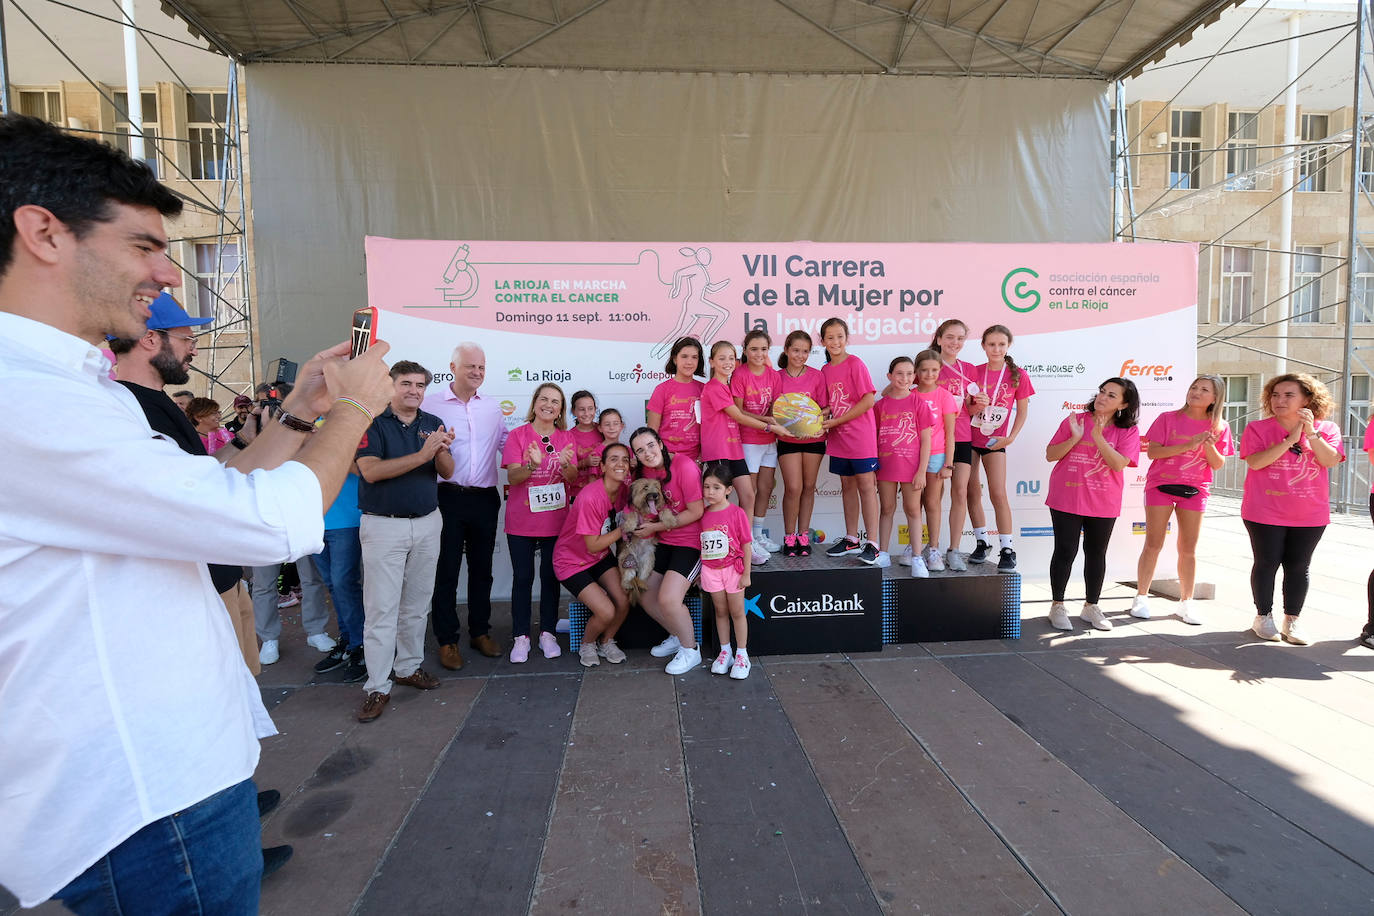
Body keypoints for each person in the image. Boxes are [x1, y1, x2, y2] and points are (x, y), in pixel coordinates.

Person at [0, 111, 392, 912]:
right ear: (43, 231)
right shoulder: (27, 399)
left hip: (161, 781)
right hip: (143, 798)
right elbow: (268, 524)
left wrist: (303, 414)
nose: (168, 275)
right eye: (144, 245)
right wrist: (354, 412)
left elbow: (212, 498)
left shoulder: (72, 389)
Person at [355, 361, 455, 721]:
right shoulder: (373, 421)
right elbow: (370, 470)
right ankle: (378, 686)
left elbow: (447, 471)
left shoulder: (430, 423)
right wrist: (422, 455)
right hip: (384, 527)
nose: (414, 390)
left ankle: (408, 667)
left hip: (427, 523)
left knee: (416, 605)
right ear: (392, 386)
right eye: (406, 384)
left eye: (419, 385)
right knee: (382, 611)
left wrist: (441, 448)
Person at [1239, 373, 1344, 646]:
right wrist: (1289, 439)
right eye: (1275, 395)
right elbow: (1256, 462)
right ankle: (1263, 617)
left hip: (1310, 512)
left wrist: (1311, 433)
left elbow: (1330, 460)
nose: (1279, 400)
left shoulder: (1328, 428)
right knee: (1267, 562)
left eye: (1288, 395)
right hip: (1264, 509)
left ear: (1307, 400)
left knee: (1299, 566)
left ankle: (1292, 619)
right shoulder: (1258, 428)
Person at [423, 341, 507, 670]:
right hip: (445, 498)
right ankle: (446, 640)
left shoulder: (492, 407)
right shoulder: (430, 405)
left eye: (481, 367)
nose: (476, 372)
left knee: (482, 571)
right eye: (470, 366)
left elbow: (506, 445)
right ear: (453, 368)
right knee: (445, 572)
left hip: (485, 498)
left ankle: (480, 632)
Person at [1131, 375, 1233, 625]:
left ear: (1215, 398)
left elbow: (1218, 464)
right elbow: (1153, 452)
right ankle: (1141, 597)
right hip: (1160, 485)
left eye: (1204, 390)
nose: (1196, 392)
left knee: (1188, 549)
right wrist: (1189, 444)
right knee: (1153, 543)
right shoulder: (1168, 418)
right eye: (1194, 388)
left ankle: (1186, 603)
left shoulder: (1219, 426)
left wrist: (1207, 445)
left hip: (1195, 488)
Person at [1044, 378, 1142, 631]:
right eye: (1101, 392)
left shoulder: (1128, 430)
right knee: (1065, 550)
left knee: (1096, 552)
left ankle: (1091, 606)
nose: (1102, 397)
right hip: (1066, 495)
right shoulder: (1075, 420)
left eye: (1111, 395)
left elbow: (1119, 464)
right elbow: (1051, 455)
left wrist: (1098, 436)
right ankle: (1057, 605)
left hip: (1103, 499)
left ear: (1124, 403)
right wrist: (1075, 438)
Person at [501, 382, 577, 663]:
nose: (549, 404)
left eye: (555, 401)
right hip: (522, 520)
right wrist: (532, 465)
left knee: (549, 577)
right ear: (534, 404)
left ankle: (547, 632)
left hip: (556, 521)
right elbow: (513, 478)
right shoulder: (518, 436)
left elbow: (571, 479)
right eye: (544, 399)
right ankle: (520, 636)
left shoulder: (567, 438)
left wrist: (567, 464)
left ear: (560, 410)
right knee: (522, 578)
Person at [700, 339, 788, 565]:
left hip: (734, 450)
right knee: (718, 503)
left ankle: (747, 543)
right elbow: (739, 416)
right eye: (722, 358)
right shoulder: (713, 387)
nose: (727, 362)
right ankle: (723, 548)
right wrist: (771, 426)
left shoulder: (727, 386)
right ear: (711, 362)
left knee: (748, 496)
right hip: (718, 452)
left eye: (731, 358)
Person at [628, 427, 705, 675]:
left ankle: (691, 650)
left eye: (650, 445)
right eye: (640, 450)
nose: (647, 453)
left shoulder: (684, 466)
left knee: (669, 599)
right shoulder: (644, 473)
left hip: (690, 543)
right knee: (644, 594)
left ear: (660, 443)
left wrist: (657, 525)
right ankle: (676, 635)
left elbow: (696, 512)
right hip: (664, 542)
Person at [554, 442, 633, 667]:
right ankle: (587, 643)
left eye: (625, 460)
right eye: (614, 459)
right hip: (572, 562)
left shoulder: (624, 491)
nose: (620, 464)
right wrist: (624, 529)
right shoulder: (590, 496)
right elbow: (593, 546)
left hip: (600, 557)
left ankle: (607, 641)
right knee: (606, 611)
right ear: (603, 467)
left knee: (624, 599)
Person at [967, 324, 1034, 572]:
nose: (996, 349)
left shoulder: (1018, 375)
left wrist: (1011, 437)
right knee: (971, 492)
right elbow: (965, 408)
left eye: (1001, 344)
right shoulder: (974, 371)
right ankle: (982, 542)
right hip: (970, 439)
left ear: (1008, 346)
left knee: (998, 493)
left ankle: (1007, 548)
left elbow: (1023, 410)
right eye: (991, 344)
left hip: (996, 442)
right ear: (983, 346)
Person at [818, 318, 882, 565]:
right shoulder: (825, 370)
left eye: (840, 336)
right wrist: (811, 418)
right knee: (847, 487)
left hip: (860, 436)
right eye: (830, 337)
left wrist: (836, 421)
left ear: (847, 338)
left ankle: (873, 544)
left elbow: (868, 401)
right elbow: (828, 406)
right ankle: (851, 539)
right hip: (839, 438)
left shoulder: (855, 364)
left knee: (866, 487)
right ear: (822, 341)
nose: (835, 342)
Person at [927, 320, 982, 571]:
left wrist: (978, 405)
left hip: (961, 437)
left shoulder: (969, 368)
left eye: (960, 338)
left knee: (960, 491)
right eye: (950, 337)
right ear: (939, 338)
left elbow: (969, 410)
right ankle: (933, 548)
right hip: (933, 440)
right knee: (932, 495)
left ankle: (954, 550)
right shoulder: (928, 364)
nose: (955, 343)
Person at [875, 356, 933, 574]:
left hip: (912, 468)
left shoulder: (919, 403)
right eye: (899, 373)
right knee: (886, 509)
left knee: (913, 510)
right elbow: (874, 437)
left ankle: (917, 557)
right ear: (890, 377)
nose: (905, 378)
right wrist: (873, 468)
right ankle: (883, 553)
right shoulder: (880, 406)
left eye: (909, 374)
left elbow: (926, 440)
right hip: (885, 467)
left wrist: (921, 471)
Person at [311, 471, 368, 683]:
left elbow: (362, 468)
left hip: (346, 514)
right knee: (333, 585)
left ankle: (360, 645)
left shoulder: (346, 435)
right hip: (314, 519)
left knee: (343, 583)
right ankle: (349, 640)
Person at [774, 330, 827, 557]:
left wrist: (810, 424)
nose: (800, 355)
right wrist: (790, 427)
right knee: (793, 488)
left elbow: (825, 407)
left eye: (805, 351)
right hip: (787, 440)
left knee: (808, 487)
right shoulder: (776, 377)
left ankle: (803, 536)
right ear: (786, 350)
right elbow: (772, 410)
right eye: (796, 350)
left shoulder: (817, 376)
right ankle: (789, 537)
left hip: (814, 439)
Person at [700, 462, 754, 679]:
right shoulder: (702, 514)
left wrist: (746, 573)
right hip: (710, 571)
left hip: (733, 569)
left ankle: (742, 654)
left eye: (716, 487)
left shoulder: (737, 513)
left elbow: (746, 544)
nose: (710, 492)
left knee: (737, 612)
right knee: (720, 612)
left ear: (728, 490)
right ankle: (725, 651)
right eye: (706, 487)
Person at [731, 329, 783, 553]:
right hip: (749, 440)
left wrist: (775, 423)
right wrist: (767, 420)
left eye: (763, 349)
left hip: (769, 440)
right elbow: (738, 411)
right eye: (753, 349)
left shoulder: (774, 375)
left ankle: (758, 535)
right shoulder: (740, 374)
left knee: (765, 488)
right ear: (745, 351)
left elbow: (776, 407)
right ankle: (747, 539)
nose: (759, 353)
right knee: (749, 492)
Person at [911, 348, 958, 571]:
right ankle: (916, 547)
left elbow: (950, 432)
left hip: (937, 455)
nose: (929, 374)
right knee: (914, 505)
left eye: (934, 370)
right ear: (916, 372)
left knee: (932, 502)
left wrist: (949, 464)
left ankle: (934, 549)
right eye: (924, 370)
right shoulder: (909, 394)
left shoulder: (944, 396)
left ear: (940, 371)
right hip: (911, 456)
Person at [646, 336, 706, 461]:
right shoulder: (662, 389)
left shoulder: (705, 389)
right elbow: (651, 432)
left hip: (695, 460)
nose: (689, 362)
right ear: (675, 359)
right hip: (666, 458)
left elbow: (710, 429)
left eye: (694, 357)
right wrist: (663, 458)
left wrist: (700, 458)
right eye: (684, 356)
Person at [568, 389, 603, 498]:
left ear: (595, 409)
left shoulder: (603, 429)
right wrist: (585, 462)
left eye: (590, 409)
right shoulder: (568, 436)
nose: (587, 413)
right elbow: (565, 468)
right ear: (574, 411)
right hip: (578, 494)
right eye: (582, 409)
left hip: (603, 492)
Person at [590, 407, 625, 474]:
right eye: (607, 424)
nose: (611, 427)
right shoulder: (597, 453)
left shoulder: (628, 450)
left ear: (621, 426)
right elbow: (592, 479)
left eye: (615, 423)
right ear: (600, 428)